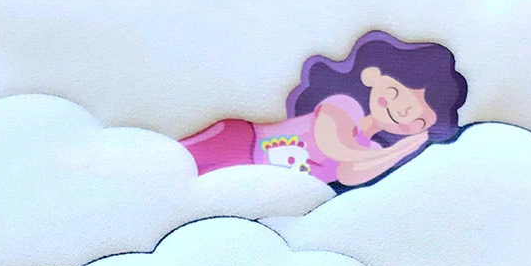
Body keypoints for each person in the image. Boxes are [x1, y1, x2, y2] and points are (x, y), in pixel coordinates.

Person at [182, 31, 467, 187]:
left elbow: (348, 176)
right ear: (372, 76)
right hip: (240, 145)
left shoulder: (371, 148)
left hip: (255, 184)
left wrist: (400, 153)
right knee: (170, 165)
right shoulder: (343, 106)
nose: (402, 113)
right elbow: (335, 146)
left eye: (418, 120)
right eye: (395, 93)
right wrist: (392, 152)